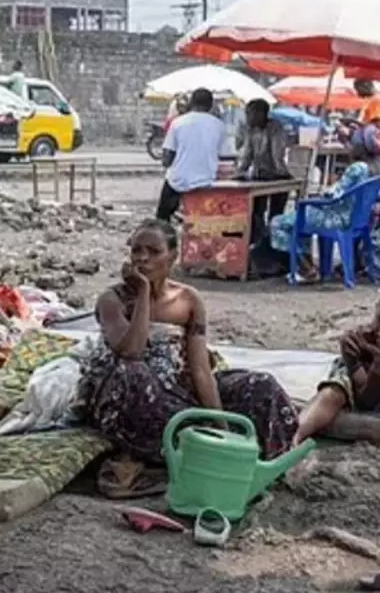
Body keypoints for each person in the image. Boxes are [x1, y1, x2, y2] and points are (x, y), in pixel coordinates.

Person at [76, 219, 297, 463]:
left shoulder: (188, 300)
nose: (142, 258)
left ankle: (273, 462)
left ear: (172, 257)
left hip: (178, 391)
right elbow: (132, 351)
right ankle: (195, 444)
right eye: (136, 250)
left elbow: (200, 369)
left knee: (261, 385)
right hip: (128, 396)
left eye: (153, 251)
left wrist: (221, 425)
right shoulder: (113, 299)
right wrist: (143, 294)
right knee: (134, 373)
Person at [268, 133, 380, 280]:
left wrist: (323, 192)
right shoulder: (374, 169)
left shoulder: (357, 168)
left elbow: (333, 194)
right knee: (301, 219)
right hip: (358, 219)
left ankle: (305, 267)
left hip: (338, 218)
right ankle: (314, 267)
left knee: (278, 223)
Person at [294, 301, 380, 445]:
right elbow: (364, 400)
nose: (376, 331)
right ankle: (292, 438)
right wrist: (356, 362)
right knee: (335, 390)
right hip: (364, 391)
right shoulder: (363, 340)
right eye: (378, 320)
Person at [155, 88, 225, 222]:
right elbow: (222, 155)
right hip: (206, 181)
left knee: (162, 216)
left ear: (191, 102)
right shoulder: (219, 126)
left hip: (179, 180)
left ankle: (165, 234)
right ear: (211, 106)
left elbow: (166, 159)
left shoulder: (177, 123)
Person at [236, 99, 292, 246]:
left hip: (278, 176)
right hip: (259, 176)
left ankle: (273, 244)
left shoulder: (275, 128)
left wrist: (276, 172)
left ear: (261, 114)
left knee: (276, 214)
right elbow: (247, 154)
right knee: (255, 211)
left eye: (250, 114)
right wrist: (239, 172)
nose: (247, 117)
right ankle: (257, 243)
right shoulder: (250, 130)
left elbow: (277, 154)